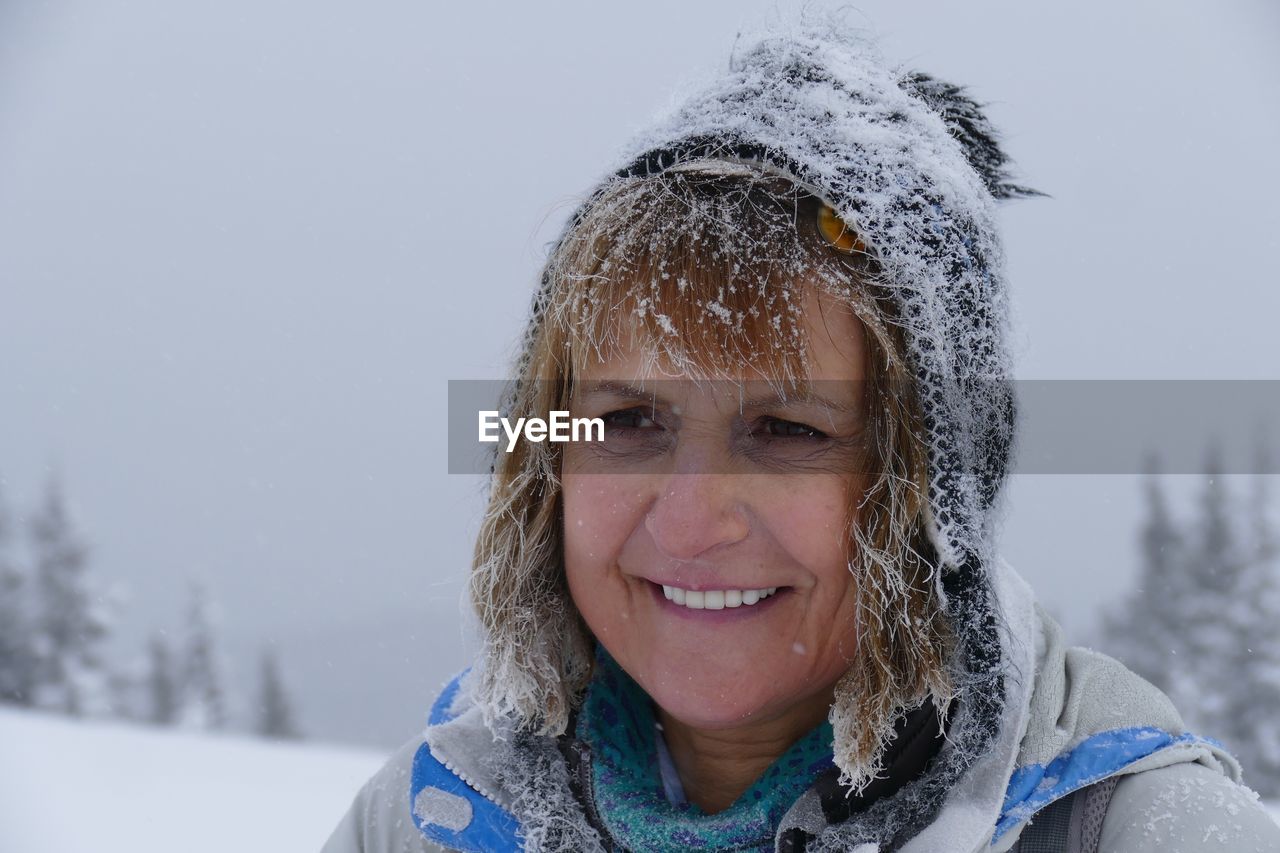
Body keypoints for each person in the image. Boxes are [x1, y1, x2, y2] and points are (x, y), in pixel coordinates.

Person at [323, 19, 1280, 853]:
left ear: (937, 486)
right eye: (628, 422)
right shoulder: (431, 820)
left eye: (785, 429)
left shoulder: (1134, 832)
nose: (692, 523)